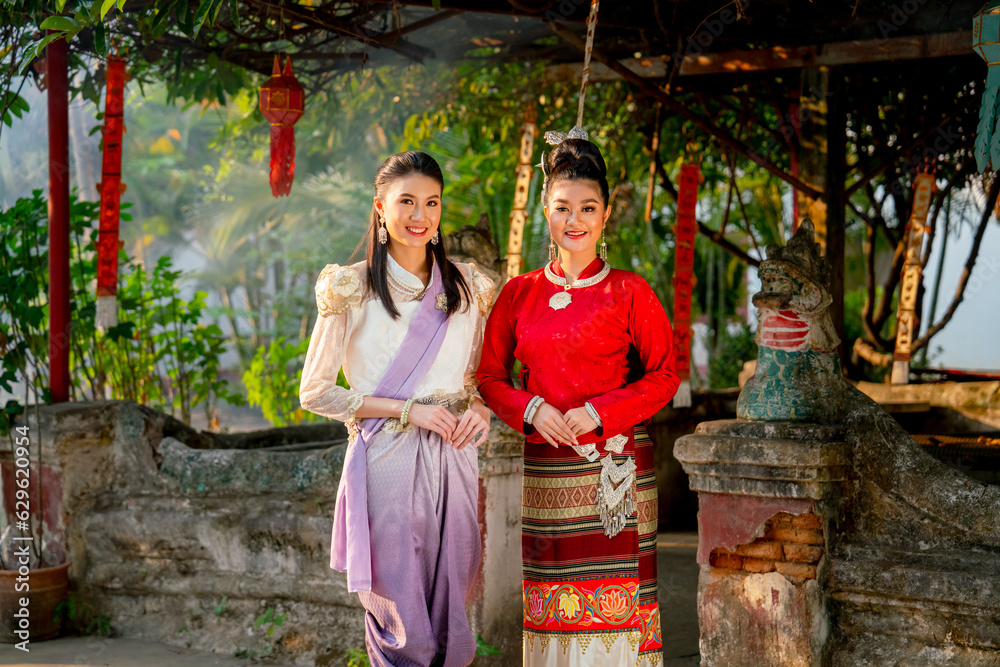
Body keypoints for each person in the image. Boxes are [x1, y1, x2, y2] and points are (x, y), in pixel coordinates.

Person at [477, 132, 679, 667]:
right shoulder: (519, 293)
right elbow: (489, 377)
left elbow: (665, 376)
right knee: (554, 602)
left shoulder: (631, 292)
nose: (575, 220)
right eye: (563, 207)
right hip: (548, 474)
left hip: (615, 473)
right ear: (545, 210)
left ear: (605, 215)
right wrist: (531, 408)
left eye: (588, 208)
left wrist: (598, 412)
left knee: (620, 604)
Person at [300, 151, 495, 667]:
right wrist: (407, 411)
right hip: (386, 455)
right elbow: (315, 391)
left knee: (454, 600)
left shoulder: (469, 286)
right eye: (406, 201)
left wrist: (481, 408)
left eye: (432, 202)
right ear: (380, 207)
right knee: (399, 607)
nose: (419, 214)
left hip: (454, 452)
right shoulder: (351, 287)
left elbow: (475, 377)